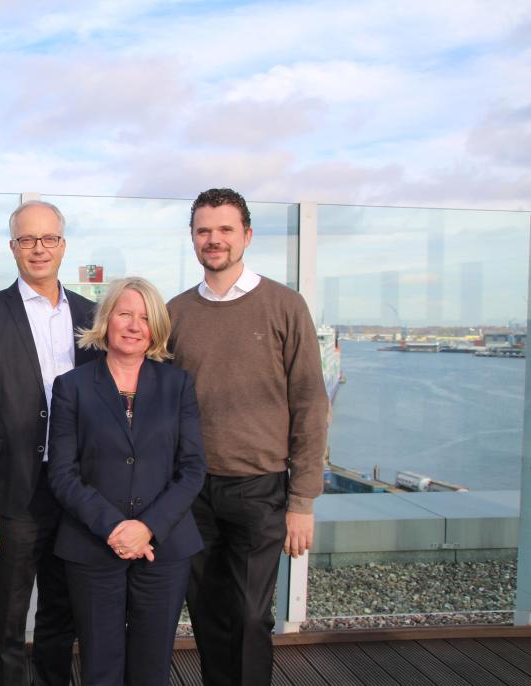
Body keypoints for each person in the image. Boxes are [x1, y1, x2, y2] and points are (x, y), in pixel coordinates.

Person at [167, 188, 328, 686]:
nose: (213, 240)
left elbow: (309, 402)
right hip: (193, 489)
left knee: (251, 615)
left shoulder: (284, 305)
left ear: (247, 236)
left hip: (260, 489)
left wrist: (302, 501)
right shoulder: (175, 312)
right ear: (193, 239)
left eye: (225, 230)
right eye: (203, 231)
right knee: (208, 615)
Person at [0, 200, 97, 685]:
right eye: (28, 240)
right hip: (12, 495)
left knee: (63, 611)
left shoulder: (91, 315)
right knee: (9, 619)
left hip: (76, 491)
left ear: (63, 245)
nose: (39, 249)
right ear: (13, 247)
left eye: (49, 239)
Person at [47, 277, 207, 686]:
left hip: (164, 550)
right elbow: (63, 473)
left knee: (153, 669)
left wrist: (146, 528)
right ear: (106, 320)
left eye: (145, 317)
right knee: (100, 668)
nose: (134, 325)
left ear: (156, 328)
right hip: (93, 547)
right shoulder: (71, 387)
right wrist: (115, 528)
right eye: (125, 314)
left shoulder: (177, 385)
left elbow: (191, 469)